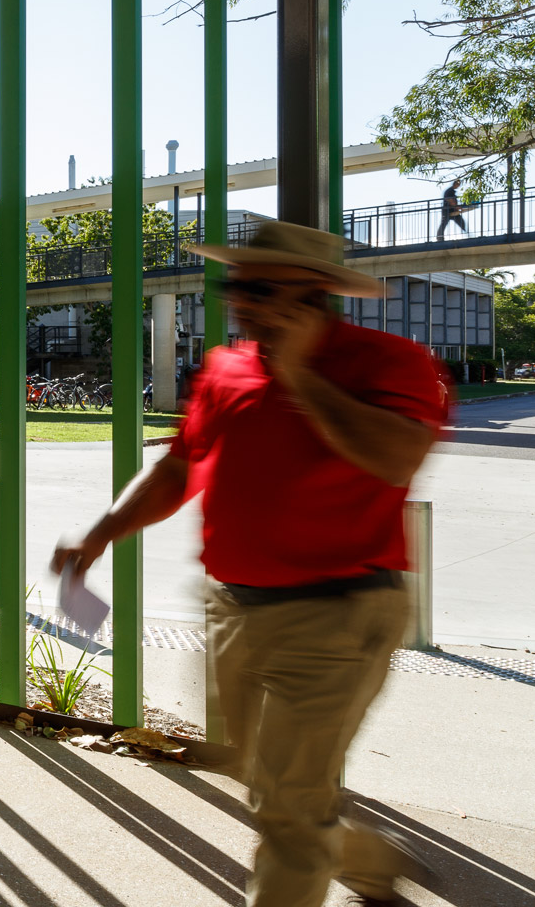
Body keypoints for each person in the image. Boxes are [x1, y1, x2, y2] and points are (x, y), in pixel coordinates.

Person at [52, 220, 447, 907]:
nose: (240, 299)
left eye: (260, 286)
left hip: (341, 612)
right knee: (263, 779)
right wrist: (102, 534)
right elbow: (179, 470)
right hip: (233, 608)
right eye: (235, 284)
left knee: (287, 806)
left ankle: (323, 860)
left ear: (316, 293)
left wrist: (297, 374)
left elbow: (395, 460)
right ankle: (368, 858)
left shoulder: (391, 362)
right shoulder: (226, 366)